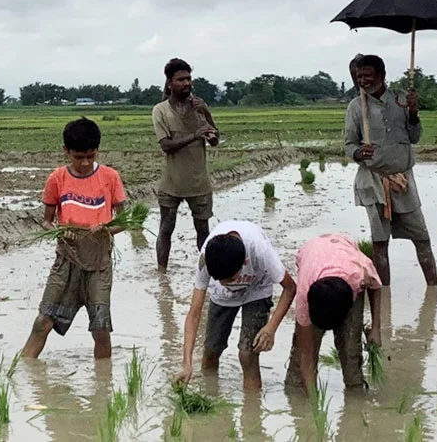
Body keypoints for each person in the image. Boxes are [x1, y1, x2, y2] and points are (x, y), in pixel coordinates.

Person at [21, 118, 128, 360]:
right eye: (78, 157)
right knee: (43, 321)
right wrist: (59, 230)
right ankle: (22, 371)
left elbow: (125, 221)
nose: (85, 162)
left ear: (97, 150)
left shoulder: (110, 178)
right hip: (66, 262)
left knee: (100, 328)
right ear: (66, 151)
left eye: (90, 156)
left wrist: (107, 230)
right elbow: (46, 220)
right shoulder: (57, 179)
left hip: (99, 265)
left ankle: (103, 382)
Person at [343, 54, 437, 286]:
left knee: (421, 237)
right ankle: (383, 295)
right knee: (380, 242)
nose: (363, 80)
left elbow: (414, 137)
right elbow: (348, 145)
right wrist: (358, 152)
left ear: (382, 76)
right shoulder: (356, 107)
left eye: (368, 76)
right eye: (359, 76)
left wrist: (413, 112)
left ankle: (433, 289)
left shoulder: (401, 100)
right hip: (373, 181)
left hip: (403, 180)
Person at [175, 220, 296, 390]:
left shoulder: (259, 250)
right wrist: (187, 364)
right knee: (211, 350)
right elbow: (194, 314)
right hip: (222, 298)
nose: (225, 283)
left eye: (229, 280)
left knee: (247, 354)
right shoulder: (206, 259)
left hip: (257, 289)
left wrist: (271, 327)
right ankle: (211, 394)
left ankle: (252, 410)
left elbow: (290, 288)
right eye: (219, 280)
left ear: (244, 262)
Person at [284, 233, 383, 395]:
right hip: (314, 256)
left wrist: (376, 328)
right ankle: (297, 392)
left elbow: (376, 287)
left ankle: (355, 391)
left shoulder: (361, 273)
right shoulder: (305, 295)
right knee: (302, 350)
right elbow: (306, 353)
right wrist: (314, 401)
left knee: (351, 345)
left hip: (345, 263)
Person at [153, 58, 219, 270]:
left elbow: (215, 140)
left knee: (203, 231)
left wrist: (207, 113)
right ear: (169, 82)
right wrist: (194, 135)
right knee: (166, 228)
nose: (186, 83)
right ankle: (162, 274)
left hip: (199, 183)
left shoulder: (199, 108)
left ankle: (207, 274)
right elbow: (166, 145)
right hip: (172, 183)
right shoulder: (161, 110)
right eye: (181, 79)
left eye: (189, 78)